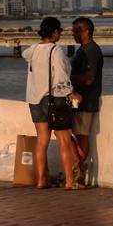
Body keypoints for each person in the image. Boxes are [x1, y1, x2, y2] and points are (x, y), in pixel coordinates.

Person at [22, 17, 84, 190]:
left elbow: (25, 56)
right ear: (55, 32)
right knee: (64, 140)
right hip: (54, 99)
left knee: (42, 141)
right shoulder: (56, 51)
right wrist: (72, 93)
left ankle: (41, 180)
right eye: (59, 31)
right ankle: (70, 182)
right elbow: (62, 76)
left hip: (35, 100)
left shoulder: (33, 50)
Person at [70, 17, 103, 182]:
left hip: (86, 101)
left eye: (76, 31)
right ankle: (77, 168)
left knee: (82, 136)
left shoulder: (90, 50)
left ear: (86, 32)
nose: (73, 34)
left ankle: (78, 170)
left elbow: (89, 79)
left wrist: (66, 79)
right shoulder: (83, 49)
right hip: (80, 101)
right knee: (74, 135)